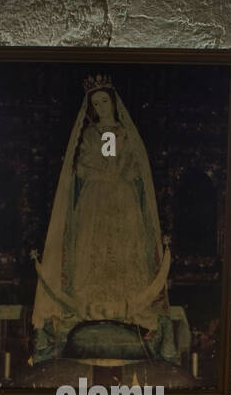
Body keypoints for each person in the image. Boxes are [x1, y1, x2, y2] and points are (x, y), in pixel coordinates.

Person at [31, 75, 175, 365]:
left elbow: (136, 169)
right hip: (95, 200)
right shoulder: (90, 135)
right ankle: (91, 313)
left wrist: (117, 173)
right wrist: (105, 173)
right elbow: (82, 169)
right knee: (92, 251)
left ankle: (128, 316)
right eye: (95, 102)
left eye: (104, 100)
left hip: (122, 200)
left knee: (125, 250)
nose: (100, 105)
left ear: (113, 101)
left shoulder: (124, 134)